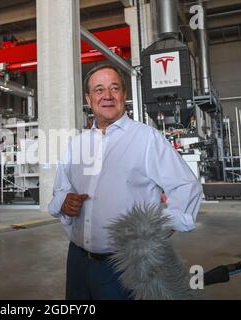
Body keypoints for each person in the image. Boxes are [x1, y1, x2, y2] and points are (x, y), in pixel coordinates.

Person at [48, 64, 203, 300]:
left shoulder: (146, 138)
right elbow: (61, 186)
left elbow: (185, 186)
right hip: (78, 260)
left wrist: (158, 228)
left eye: (114, 88)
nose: (107, 96)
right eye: (99, 90)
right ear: (89, 99)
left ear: (124, 95)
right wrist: (63, 201)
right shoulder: (76, 144)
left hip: (126, 264)